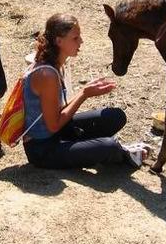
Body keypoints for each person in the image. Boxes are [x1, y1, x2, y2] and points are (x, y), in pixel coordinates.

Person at [22, 13, 151, 169]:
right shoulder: (47, 74)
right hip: (43, 149)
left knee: (115, 116)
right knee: (109, 146)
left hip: (58, 133)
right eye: (75, 38)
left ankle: (96, 148)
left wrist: (86, 91)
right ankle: (122, 153)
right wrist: (84, 94)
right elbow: (53, 125)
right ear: (58, 41)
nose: (81, 41)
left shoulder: (55, 63)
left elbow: (58, 110)